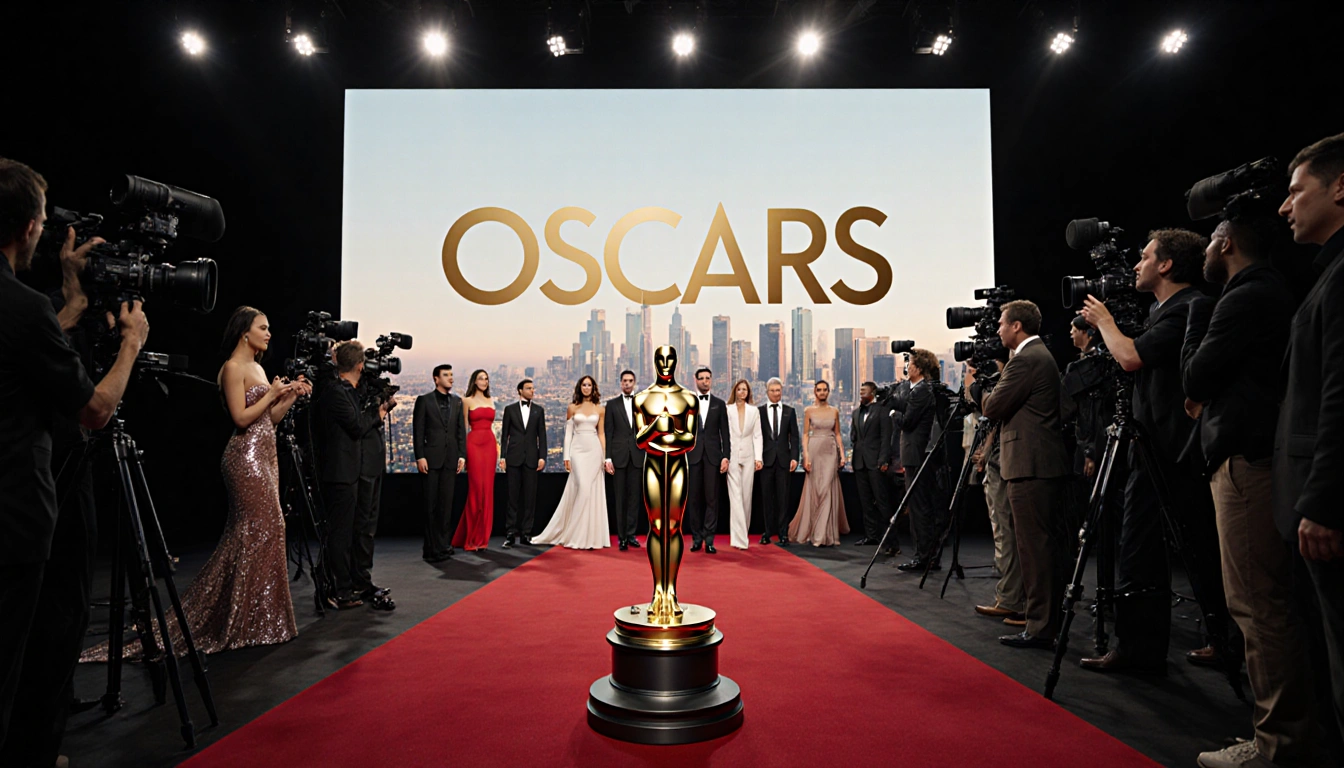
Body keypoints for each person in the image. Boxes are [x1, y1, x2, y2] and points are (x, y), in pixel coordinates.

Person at [0, 157, 148, 764]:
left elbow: (24, 349)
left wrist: (69, 301)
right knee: (34, 637)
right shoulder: (22, 308)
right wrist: (131, 345)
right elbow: (94, 410)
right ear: (32, 227)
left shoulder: (25, 311)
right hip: (14, 518)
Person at [84, 306, 310, 665]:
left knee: (266, 530)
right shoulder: (233, 368)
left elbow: (269, 422)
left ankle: (260, 618)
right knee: (257, 530)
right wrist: (272, 395)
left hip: (266, 456)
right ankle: (238, 620)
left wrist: (291, 396)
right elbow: (240, 419)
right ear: (244, 333)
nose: (269, 334)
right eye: (263, 328)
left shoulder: (259, 367)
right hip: (244, 460)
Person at [1184, 213, 1323, 768]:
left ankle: (1278, 747)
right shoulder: (1269, 290)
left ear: (1228, 243)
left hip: (1247, 463)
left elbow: (1194, 379)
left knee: (1258, 609)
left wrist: (1197, 312)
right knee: (1268, 606)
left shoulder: (1240, 299)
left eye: (1211, 243)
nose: (1205, 254)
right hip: (1257, 457)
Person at [1078, 228, 1234, 673]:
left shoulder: (1188, 308)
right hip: (1156, 443)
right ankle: (1166, 645)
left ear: (1166, 265)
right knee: (1167, 547)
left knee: (1172, 548)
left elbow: (1130, 358)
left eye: (1144, 257)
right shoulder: (1165, 311)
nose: (1135, 265)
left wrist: (1105, 322)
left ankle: (1155, 650)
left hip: (1170, 448)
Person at [1276, 132, 1344, 765]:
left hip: (1326, 507)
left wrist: (1321, 500)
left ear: (1340, 188)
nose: (1284, 206)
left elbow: (1340, 399)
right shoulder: (1328, 275)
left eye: (1296, 191)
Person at [981, 300, 1072, 649]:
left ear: (1017, 326)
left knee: (1035, 549)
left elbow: (992, 407)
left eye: (1002, 324)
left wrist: (978, 387)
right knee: (1042, 546)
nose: (999, 329)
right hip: (1040, 462)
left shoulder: (1026, 360)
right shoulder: (1042, 357)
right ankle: (1044, 622)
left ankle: (1039, 627)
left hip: (1029, 464)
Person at [317, 340, 393, 608]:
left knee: (360, 530)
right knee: (341, 534)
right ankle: (339, 589)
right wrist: (380, 411)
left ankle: (357, 583)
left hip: (357, 470)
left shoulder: (351, 390)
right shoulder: (336, 392)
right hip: (342, 473)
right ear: (360, 365)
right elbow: (357, 425)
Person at [969, 359, 1026, 628]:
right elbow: (995, 423)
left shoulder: (1019, 370)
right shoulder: (1006, 376)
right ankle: (1008, 597)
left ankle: (1013, 600)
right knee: (1003, 532)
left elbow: (992, 410)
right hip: (996, 460)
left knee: (1008, 532)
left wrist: (979, 390)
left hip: (1008, 463)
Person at [533, 376, 611, 549]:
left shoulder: (600, 409)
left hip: (594, 450)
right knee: (583, 488)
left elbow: (601, 434)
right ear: (579, 387)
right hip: (577, 450)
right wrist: (566, 456)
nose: (586, 387)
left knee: (590, 492)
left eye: (589, 385)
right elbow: (568, 433)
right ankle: (572, 533)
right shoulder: (572, 407)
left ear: (593, 388)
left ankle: (589, 535)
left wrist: (605, 457)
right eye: (584, 384)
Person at [894, 349, 946, 572]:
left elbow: (907, 422)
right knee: (918, 507)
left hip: (919, 456)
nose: (907, 366)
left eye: (911, 363)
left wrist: (892, 414)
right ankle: (925, 555)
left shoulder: (923, 390)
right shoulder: (917, 389)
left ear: (919, 368)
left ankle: (924, 557)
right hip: (915, 456)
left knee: (920, 507)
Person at [414, 364, 466, 563]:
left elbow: (460, 430)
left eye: (452, 375)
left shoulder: (457, 402)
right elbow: (418, 431)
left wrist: (462, 455)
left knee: (446, 505)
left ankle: (444, 545)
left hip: (451, 459)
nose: (451, 378)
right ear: (436, 379)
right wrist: (420, 456)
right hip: (431, 459)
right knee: (430, 505)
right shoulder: (424, 401)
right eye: (446, 375)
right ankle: (430, 548)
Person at [787, 380, 850, 546]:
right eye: (819, 390)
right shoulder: (809, 410)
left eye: (825, 390)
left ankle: (824, 535)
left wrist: (842, 455)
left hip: (830, 451)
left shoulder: (835, 411)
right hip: (814, 450)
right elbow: (806, 435)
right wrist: (806, 457)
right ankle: (815, 531)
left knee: (827, 488)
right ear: (815, 392)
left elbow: (837, 434)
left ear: (828, 392)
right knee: (815, 489)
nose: (822, 392)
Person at [354, 364, 396, 609]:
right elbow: (358, 425)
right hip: (362, 466)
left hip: (374, 463)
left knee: (368, 527)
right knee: (361, 526)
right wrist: (378, 412)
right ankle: (357, 582)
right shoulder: (348, 393)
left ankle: (363, 579)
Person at [686, 366, 730, 554]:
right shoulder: (686, 403)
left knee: (712, 499)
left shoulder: (719, 404)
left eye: (708, 378)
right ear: (695, 380)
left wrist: (726, 456)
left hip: (713, 456)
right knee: (694, 499)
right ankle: (697, 538)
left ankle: (709, 539)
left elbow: (725, 433)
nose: (705, 381)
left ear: (711, 380)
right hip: (693, 455)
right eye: (702, 378)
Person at [453, 370, 498, 552]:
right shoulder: (466, 401)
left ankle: (482, 538)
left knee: (487, 492)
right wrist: (462, 454)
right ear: (474, 381)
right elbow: (463, 427)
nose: (484, 381)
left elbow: (493, 427)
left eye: (486, 378)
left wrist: (498, 449)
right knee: (475, 491)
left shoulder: (491, 400)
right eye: (481, 378)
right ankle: (470, 537)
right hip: (473, 445)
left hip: (489, 445)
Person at [499, 378, 547, 548]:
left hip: (532, 459)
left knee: (530, 497)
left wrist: (543, 457)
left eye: (533, 388)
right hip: (513, 457)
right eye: (528, 388)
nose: (532, 391)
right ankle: (510, 533)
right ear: (520, 391)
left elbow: (542, 435)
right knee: (512, 497)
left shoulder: (539, 410)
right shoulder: (509, 409)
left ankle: (526, 533)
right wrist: (502, 456)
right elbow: (504, 435)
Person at [604, 370, 644, 550]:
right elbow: (609, 433)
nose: (627, 384)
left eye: (630, 381)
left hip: (637, 456)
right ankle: (621, 537)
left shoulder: (643, 403)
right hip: (619, 457)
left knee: (634, 498)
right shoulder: (611, 404)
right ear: (620, 383)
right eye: (624, 381)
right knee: (620, 498)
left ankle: (631, 534)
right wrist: (608, 457)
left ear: (634, 382)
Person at [851, 381, 894, 547]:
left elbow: (886, 438)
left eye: (864, 390)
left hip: (876, 462)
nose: (861, 393)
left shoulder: (882, 412)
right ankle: (871, 535)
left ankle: (889, 539)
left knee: (882, 501)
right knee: (865, 501)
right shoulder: (855, 413)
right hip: (860, 462)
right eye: (860, 390)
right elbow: (855, 437)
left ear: (873, 392)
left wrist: (883, 459)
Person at [757, 377, 799, 546]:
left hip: (784, 460)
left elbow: (794, 437)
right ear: (767, 392)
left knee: (783, 499)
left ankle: (783, 533)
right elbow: (756, 437)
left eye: (778, 390)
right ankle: (767, 532)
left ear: (782, 391)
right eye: (772, 390)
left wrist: (795, 457)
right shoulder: (759, 411)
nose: (776, 393)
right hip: (765, 461)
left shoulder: (790, 411)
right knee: (766, 499)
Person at [725, 379, 763, 550]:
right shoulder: (727, 410)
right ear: (735, 391)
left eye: (745, 390)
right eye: (739, 389)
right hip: (732, 456)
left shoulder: (754, 411)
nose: (742, 392)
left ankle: (742, 533)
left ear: (748, 392)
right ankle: (739, 539)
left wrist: (758, 458)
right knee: (736, 497)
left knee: (746, 497)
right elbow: (724, 435)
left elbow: (757, 435)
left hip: (749, 456)